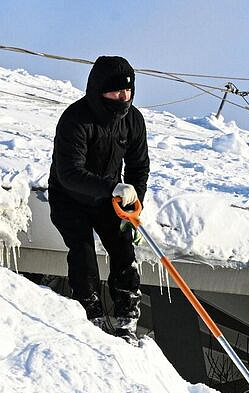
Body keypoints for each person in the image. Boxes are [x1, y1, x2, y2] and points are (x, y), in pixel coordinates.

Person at [50, 55, 149, 337]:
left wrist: (134, 204)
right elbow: (70, 172)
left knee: (123, 249)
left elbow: (138, 166)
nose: (124, 97)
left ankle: (127, 317)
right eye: (117, 91)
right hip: (69, 198)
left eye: (128, 90)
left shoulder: (133, 120)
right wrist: (112, 188)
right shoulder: (75, 119)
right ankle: (90, 315)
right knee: (83, 254)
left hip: (108, 200)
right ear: (99, 90)